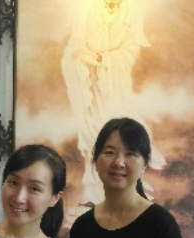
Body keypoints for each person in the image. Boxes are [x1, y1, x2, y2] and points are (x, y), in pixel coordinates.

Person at [61, 0, 165, 216]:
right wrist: (85, 57)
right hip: (88, 82)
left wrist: (107, 60)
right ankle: (94, 192)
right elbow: (76, 43)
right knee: (92, 133)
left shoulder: (131, 10)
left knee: (119, 133)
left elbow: (132, 48)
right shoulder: (87, 9)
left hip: (115, 82)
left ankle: (129, 195)